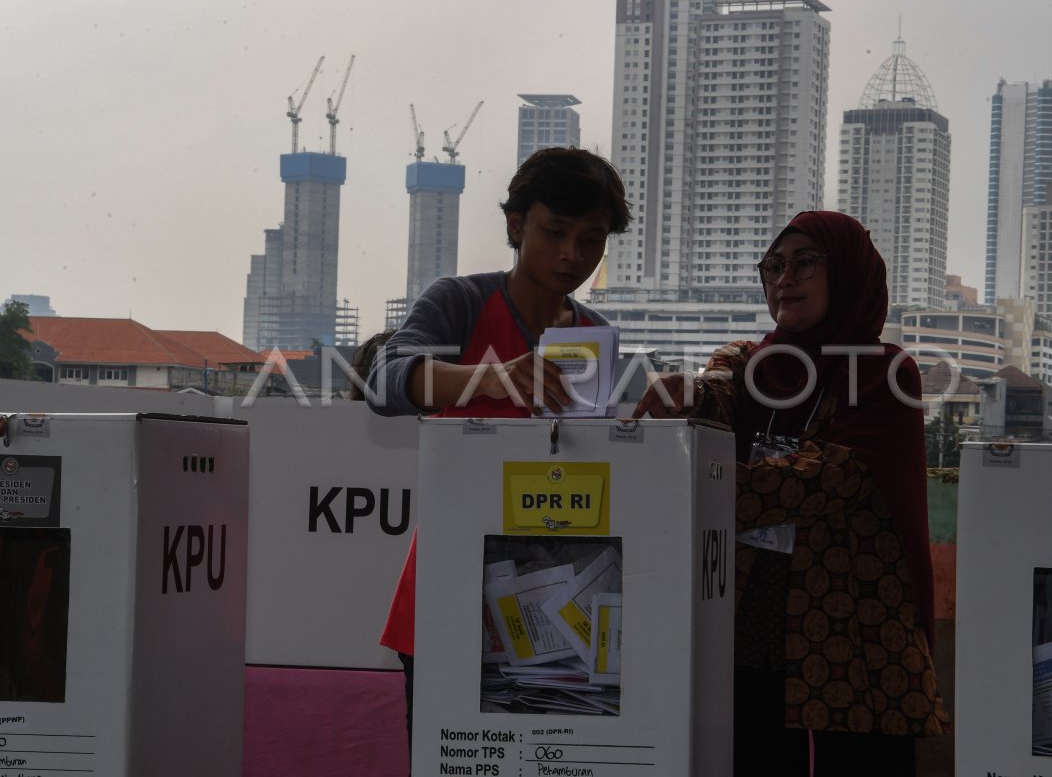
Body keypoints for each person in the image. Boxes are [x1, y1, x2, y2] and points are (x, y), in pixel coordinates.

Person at [634, 211, 948, 776]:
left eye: (806, 262)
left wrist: (686, 486)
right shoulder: (747, 361)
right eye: (774, 265)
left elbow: (823, 479)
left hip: (850, 644)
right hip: (744, 633)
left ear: (849, 273)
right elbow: (716, 392)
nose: (785, 278)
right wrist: (688, 396)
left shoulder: (883, 374)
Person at [366, 146, 631, 762]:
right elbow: (383, 383)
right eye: (554, 232)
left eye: (590, 240)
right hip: (451, 599)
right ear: (515, 226)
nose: (571, 255)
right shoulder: (459, 300)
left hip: (566, 614)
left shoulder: (596, 335)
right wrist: (488, 378)